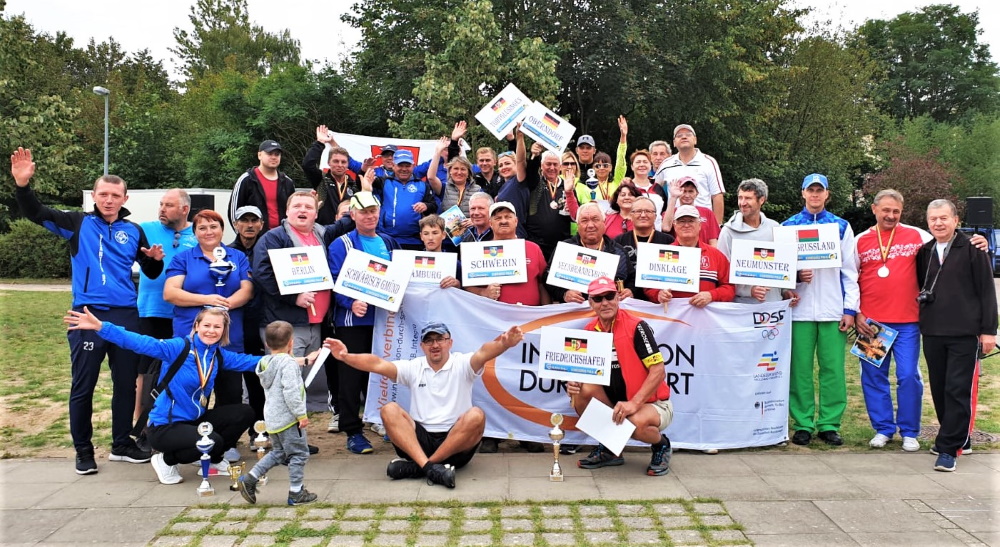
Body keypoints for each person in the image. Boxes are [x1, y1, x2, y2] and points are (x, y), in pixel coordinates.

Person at [12, 147, 164, 474]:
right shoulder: (76, 223)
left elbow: (150, 272)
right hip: (87, 314)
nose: (109, 200)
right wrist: (23, 186)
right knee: (84, 385)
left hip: (126, 316)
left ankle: (122, 444)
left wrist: (154, 260)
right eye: (103, 194)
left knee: (126, 384)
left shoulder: (133, 230)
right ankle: (83, 450)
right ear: (94, 196)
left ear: (125, 199)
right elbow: (36, 212)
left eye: (115, 195)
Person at [62, 307, 311, 484]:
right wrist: (102, 327)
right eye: (207, 325)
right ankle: (166, 460)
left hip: (194, 421)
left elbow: (253, 362)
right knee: (213, 439)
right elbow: (139, 342)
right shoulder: (178, 348)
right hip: (165, 427)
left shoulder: (217, 355)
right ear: (196, 326)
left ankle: (211, 459)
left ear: (223, 330)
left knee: (244, 412)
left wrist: (299, 360)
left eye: (217, 327)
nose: (211, 331)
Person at [323, 322, 525, 488]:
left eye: (440, 339)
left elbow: (484, 352)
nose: (434, 345)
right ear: (422, 346)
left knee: (476, 415)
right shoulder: (414, 366)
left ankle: (420, 467)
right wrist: (345, 357)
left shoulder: (463, 363)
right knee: (388, 409)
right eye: (429, 340)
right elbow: (377, 364)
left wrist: (504, 344)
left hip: (456, 446)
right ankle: (431, 468)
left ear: (450, 342)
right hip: (418, 443)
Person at [916, 199, 997, 472]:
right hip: (933, 331)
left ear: (956, 220)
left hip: (964, 332)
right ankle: (957, 436)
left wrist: (989, 331)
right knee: (939, 389)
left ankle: (949, 449)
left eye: (944, 218)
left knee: (957, 389)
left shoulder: (973, 248)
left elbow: (987, 291)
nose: (938, 223)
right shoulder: (925, 251)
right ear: (928, 222)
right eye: (933, 219)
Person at [566, 277, 674, 476]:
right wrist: (573, 383)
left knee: (633, 422)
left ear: (617, 297)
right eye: (598, 299)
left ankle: (662, 444)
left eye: (609, 296)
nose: (605, 303)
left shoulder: (637, 326)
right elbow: (583, 373)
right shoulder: (589, 330)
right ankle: (611, 449)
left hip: (652, 404)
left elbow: (658, 371)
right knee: (581, 392)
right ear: (590, 303)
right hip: (617, 404)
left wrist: (634, 403)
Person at [781, 173, 859, 447]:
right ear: (803, 193)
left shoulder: (841, 226)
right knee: (800, 370)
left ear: (827, 194)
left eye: (819, 190)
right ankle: (803, 423)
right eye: (810, 190)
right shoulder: (788, 226)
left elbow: (850, 271)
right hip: (799, 310)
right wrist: (793, 280)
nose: (815, 195)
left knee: (833, 370)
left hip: (832, 310)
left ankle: (829, 424)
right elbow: (780, 270)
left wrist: (849, 309)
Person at [851, 189, 931, 451]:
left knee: (908, 376)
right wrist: (857, 312)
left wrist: (976, 241)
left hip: (908, 321)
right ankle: (883, 428)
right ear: (874, 209)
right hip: (873, 324)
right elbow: (850, 278)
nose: (891, 215)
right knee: (874, 377)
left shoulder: (918, 236)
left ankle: (909, 431)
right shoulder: (860, 240)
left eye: (896, 211)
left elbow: (946, 245)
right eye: (886, 210)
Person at [163, 210, 253, 431]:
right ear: (195, 233)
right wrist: (207, 300)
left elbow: (247, 290)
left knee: (231, 393)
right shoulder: (183, 258)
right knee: (189, 392)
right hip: (192, 338)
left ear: (222, 230)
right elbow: (170, 293)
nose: (208, 232)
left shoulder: (237, 257)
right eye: (202, 228)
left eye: (214, 226)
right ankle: (187, 438)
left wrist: (224, 306)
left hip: (228, 337)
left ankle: (224, 441)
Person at [327, 191, 402, 454]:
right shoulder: (341, 244)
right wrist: (350, 303)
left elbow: (400, 276)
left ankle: (381, 420)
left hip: (385, 320)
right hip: (353, 320)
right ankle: (352, 430)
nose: (369, 216)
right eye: (363, 212)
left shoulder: (389, 241)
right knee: (351, 376)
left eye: (373, 211)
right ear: (353, 214)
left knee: (381, 373)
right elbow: (334, 280)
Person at [238, 321, 318, 505]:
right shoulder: (288, 364)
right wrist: (301, 414)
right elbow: (291, 392)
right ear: (291, 342)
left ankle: (250, 478)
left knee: (279, 453)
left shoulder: (265, 362)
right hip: (289, 418)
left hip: (272, 418)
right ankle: (296, 492)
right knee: (299, 454)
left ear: (266, 344)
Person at [135, 189, 196, 431]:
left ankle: (179, 421)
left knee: (181, 368)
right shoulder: (144, 229)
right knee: (145, 370)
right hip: (151, 311)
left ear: (184, 209)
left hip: (185, 314)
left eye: (169, 205)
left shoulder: (198, 233)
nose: (162, 209)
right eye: (161, 204)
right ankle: (141, 425)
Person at [646, 205, 735, 308]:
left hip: (705, 316)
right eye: (681, 221)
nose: (686, 225)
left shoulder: (716, 255)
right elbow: (648, 287)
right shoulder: (662, 253)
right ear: (674, 225)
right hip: (672, 314)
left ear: (699, 225)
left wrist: (711, 295)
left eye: (691, 221)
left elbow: (730, 288)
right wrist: (658, 294)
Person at [229, 205, 267, 441]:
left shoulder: (268, 248)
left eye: (254, 220)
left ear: (261, 224)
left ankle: (258, 430)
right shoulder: (226, 252)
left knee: (257, 378)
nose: (249, 225)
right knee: (232, 379)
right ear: (236, 224)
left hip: (260, 320)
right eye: (244, 220)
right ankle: (230, 434)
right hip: (233, 321)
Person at [548, 202, 632, 304]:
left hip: (608, 308)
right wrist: (564, 294)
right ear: (578, 225)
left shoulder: (619, 252)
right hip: (575, 310)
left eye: (595, 219)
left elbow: (632, 278)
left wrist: (630, 291)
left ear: (604, 222)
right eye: (584, 221)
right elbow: (547, 277)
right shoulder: (565, 249)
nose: (590, 225)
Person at [717, 179, 784, 304]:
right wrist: (748, 290)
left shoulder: (775, 228)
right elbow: (722, 272)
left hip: (773, 305)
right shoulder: (728, 231)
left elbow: (784, 266)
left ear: (761, 200)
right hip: (743, 307)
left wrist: (786, 291)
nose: (742, 203)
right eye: (740, 198)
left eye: (748, 198)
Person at [365, 149, 438, 250]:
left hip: (414, 240)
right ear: (393, 166)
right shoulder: (383, 182)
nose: (404, 169)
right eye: (400, 165)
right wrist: (364, 170)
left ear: (413, 166)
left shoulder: (422, 185)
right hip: (387, 238)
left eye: (407, 166)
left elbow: (433, 206)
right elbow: (363, 184)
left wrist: (426, 206)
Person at [656, 124, 725, 225]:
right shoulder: (666, 164)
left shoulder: (709, 162)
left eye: (688, 134)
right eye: (679, 135)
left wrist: (717, 226)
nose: (684, 137)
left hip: (703, 221)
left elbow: (717, 195)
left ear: (695, 140)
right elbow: (655, 190)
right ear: (674, 143)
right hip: (675, 222)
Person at [614, 196, 674, 301]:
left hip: (659, 301)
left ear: (655, 216)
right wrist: (628, 290)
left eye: (648, 211)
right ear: (631, 216)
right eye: (638, 211)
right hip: (627, 300)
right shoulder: (618, 241)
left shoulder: (668, 241)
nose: (643, 215)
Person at [228, 140, 296, 232]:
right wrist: (242, 236)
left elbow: (293, 211)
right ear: (259, 155)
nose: (273, 157)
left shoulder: (287, 182)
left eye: (277, 154)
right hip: (254, 237)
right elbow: (233, 212)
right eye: (269, 154)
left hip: (281, 237)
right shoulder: (246, 180)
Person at [302, 126, 361, 225]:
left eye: (343, 162)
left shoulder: (353, 184)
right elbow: (307, 165)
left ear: (348, 164)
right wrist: (320, 143)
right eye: (336, 161)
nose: (340, 165)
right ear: (329, 162)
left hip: (347, 230)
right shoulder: (322, 179)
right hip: (324, 229)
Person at [429, 138, 482, 215]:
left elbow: (484, 210)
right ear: (450, 171)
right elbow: (431, 177)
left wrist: (472, 220)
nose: (459, 172)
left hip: (471, 223)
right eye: (456, 169)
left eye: (463, 169)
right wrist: (438, 152)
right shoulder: (444, 188)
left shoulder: (478, 190)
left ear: (468, 172)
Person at [663, 176, 720, 246]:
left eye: (691, 191)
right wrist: (673, 197)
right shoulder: (671, 212)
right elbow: (666, 228)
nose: (687, 195)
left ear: (697, 193)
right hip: (678, 251)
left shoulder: (707, 212)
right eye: (684, 191)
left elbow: (713, 241)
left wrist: (712, 253)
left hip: (703, 251)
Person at [627, 150, 668, 231]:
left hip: (657, 234)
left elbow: (664, 212)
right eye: (638, 162)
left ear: (650, 165)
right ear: (632, 166)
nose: (642, 164)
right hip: (632, 232)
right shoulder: (627, 188)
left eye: (645, 162)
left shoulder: (658, 188)